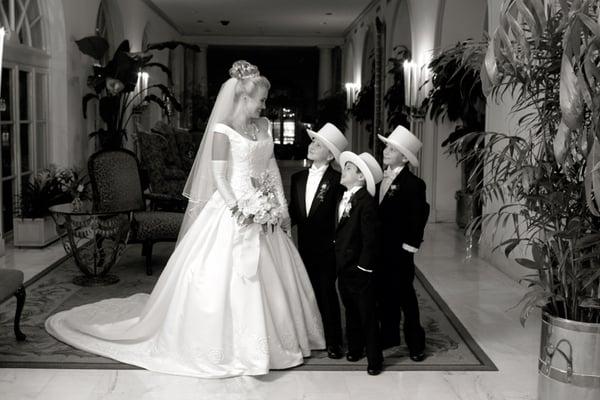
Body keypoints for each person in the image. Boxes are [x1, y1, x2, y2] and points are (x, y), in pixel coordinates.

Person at [45, 60, 325, 378]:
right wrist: (240, 209)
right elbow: (219, 176)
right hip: (234, 209)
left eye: (264, 99)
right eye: (260, 99)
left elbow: (270, 168)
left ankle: (279, 342)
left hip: (264, 211)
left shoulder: (261, 127)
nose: (264, 105)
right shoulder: (222, 131)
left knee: (277, 278)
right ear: (243, 98)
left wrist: (281, 208)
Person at [289, 123, 347, 360]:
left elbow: (341, 215)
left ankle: (334, 341)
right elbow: (295, 211)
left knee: (326, 292)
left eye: (318, 144)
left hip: (327, 247)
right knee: (306, 291)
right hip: (303, 246)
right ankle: (310, 337)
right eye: (312, 142)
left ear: (330, 155)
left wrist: (337, 243)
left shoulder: (338, 180)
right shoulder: (298, 177)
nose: (312, 146)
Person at [376, 125, 429, 362]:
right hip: (380, 248)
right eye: (386, 146)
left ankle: (415, 341)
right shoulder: (378, 179)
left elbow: (419, 217)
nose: (385, 151)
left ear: (405, 158)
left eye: (391, 148)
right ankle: (388, 335)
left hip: (400, 250)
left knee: (405, 295)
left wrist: (409, 247)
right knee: (385, 293)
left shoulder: (414, 185)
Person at [335, 151, 384, 376]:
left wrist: (364, 267)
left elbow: (370, 239)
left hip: (359, 269)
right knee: (351, 310)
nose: (343, 171)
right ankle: (355, 347)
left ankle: (375, 358)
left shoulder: (366, 203)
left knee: (367, 314)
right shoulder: (343, 197)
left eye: (348, 168)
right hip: (343, 267)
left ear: (361, 177)